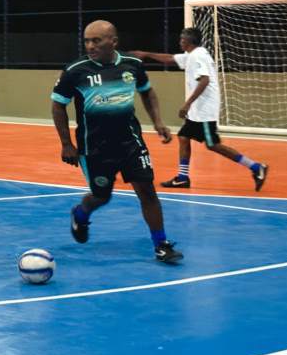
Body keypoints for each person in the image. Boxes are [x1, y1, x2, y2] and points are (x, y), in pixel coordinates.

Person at [51, 20, 183, 263]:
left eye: (96, 41)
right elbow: (58, 105)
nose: (90, 46)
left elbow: (147, 91)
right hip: (95, 148)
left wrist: (158, 122)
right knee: (101, 196)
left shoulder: (132, 65)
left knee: (147, 191)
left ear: (113, 41)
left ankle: (161, 244)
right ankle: (80, 214)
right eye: (87, 41)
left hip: (131, 142)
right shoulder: (75, 71)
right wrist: (66, 143)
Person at [130, 27, 269, 191]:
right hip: (198, 111)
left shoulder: (198, 56)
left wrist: (187, 103)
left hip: (204, 111)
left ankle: (255, 167)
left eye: (182, 39)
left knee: (212, 145)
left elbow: (204, 80)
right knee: (183, 136)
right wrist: (145, 54)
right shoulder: (193, 55)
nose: (179, 41)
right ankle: (182, 177)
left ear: (189, 41)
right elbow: (170, 58)